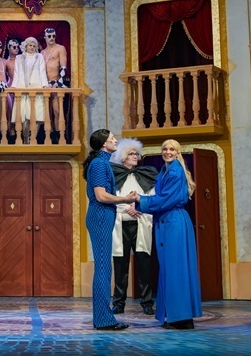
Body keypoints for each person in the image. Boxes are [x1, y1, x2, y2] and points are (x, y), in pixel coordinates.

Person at [132, 139, 202, 330]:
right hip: (168, 221)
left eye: (172, 149)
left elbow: (166, 199)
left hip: (174, 222)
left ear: (178, 152)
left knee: (176, 269)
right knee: (171, 269)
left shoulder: (175, 171)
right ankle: (178, 316)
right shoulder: (165, 170)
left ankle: (181, 318)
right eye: (165, 149)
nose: (167, 152)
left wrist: (141, 199)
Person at [83, 129, 138, 331]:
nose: (116, 140)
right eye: (112, 138)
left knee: (105, 267)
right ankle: (104, 320)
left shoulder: (102, 162)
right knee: (104, 268)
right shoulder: (99, 163)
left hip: (103, 215)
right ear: (103, 144)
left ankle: (102, 317)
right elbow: (101, 196)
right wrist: (125, 199)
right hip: (100, 215)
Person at [109, 138, 157, 315]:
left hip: (141, 224)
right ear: (123, 157)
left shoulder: (145, 176)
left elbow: (152, 197)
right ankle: (118, 302)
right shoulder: (114, 176)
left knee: (144, 265)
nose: (135, 156)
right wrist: (127, 208)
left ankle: (147, 302)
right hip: (121, 224)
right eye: (131, 154)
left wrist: (138, 207)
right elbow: (110, 198)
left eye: (136, 153)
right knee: (120, 265)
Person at [11, 37, 48, 144]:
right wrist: (14, 86)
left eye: (34, 46)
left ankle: (33, 138)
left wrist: (45, 85)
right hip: (22, 89)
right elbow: (17, 73)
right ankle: (26, 139)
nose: (32, 47)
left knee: (37, 114)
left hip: (37, 89)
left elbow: (42, 71)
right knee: (23, 115)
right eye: (30, 45)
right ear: (25, 46)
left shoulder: (39, 56)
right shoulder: (19, 58)